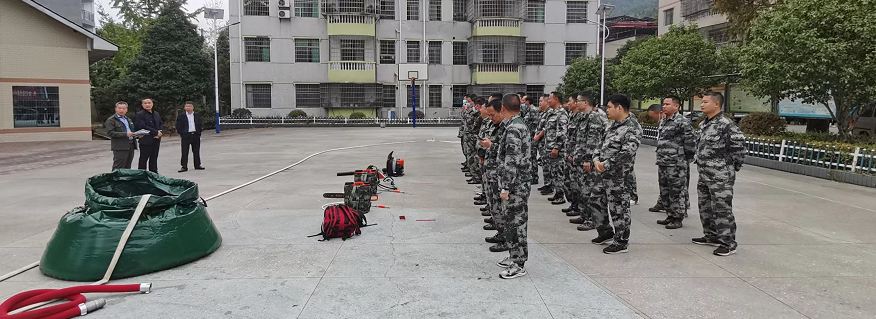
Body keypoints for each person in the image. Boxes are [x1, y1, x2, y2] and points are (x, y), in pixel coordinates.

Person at [693, 91, 746, 256]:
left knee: (722, 208)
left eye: (706, 102)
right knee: (705, 206)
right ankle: (711, 235)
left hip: (720, 175)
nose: (702, 105)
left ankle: (728, 243)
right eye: (701, 102)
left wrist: (730, 167)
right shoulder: (704, 124)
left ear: (716, 104)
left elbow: (739, 148)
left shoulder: (726, 124)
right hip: (704, 173)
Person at [593, 94, 640, 254]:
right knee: (595, 201)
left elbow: (627, 153)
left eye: (609, 107)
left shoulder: (632, 127)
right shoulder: (611, 126)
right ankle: (605, 232)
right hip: (602, 173)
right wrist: (596, 159)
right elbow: (599, 145)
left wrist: (606, 165)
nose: (606, 110)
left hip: (619, 176)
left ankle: (621, 241)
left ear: (619, 108)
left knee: (619, 208)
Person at [495, 94, 531, 279]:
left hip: (516, 185)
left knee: (516, 224)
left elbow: (512, 160)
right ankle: (514, 256)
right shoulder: (518, 124)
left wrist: (505, 187)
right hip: (518, 183)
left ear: (503, 108)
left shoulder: (514, 128)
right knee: (512, 222)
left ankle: (519, 263)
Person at [653, 97, 696, 229]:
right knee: (665, 190)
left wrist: (686, 157)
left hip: (676, 163)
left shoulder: (682, 121)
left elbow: (690, 141)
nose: (664, 106)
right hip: (663, 161)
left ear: (676, 106)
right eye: (663, 104)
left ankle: (678, 217)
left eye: (667, 104)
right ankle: (670, 214)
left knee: (676, 191)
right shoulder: (664, 120)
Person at [575, 93, 609, 233]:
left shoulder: (593, 117)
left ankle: (592, 220)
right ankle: (584, 216)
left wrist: (588, 159)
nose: (577, 103)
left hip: (589, 160)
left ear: (586, 102)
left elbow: (593, 141)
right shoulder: (583, 117)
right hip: (581, 159)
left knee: (589, 191)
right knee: (583, 190)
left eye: (579, 101)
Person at [480, 99, 509, 252]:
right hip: (490, 170)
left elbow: (506, 150)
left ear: (501, 111)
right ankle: (500, 232)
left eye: (492, 115)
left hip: (500, 173)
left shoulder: (507, 128)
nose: (490, 118)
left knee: (501, 207)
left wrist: (491, 146)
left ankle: (505, 238)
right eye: (489, 115)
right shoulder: (493, 125)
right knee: (493, 205)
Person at [543, 92, 569, 204]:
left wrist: (557, 147)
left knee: (559, 173)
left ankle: (561, 195)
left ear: (556, 99)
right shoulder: (552, 113)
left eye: (550, 99)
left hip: (557, 149)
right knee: (553, 172)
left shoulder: (561, 113)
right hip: (549, 147)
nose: (548, 101)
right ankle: (557, 193)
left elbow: (562, 132)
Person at [562, 96, 585, 217]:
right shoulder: (571, 115)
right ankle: (574, 204)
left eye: (570, 101)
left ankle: (580, 209)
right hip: (569, 155)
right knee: (569, 182)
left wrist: (574, 154)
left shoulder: (582, 117)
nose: (568, 103)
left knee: (578, 184)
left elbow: (579, 139)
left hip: (577, 157)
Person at [105, 101, 138, 170]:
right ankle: (115, 180)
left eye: (123, 108)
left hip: (131, 145)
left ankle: (125, 180)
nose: (121, 110)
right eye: (119, 108)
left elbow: (132, 130)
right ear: (115, 109)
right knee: (119, 166)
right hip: (120, 147)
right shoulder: (111, 120)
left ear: (127, 109)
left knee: (128, 166)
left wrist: (137, 135)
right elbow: (110, 133)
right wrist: (125, 134)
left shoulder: (128, 119)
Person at [135, 98, 163, 173]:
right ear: (142, 105)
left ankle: (154, 173)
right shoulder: (140, 115)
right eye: (145, 103)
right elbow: (142, 126)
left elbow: (160, 123)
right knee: (144, 158)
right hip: (145, 139)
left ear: (152, 104)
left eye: (149, 103)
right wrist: (155, 132)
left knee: (154, 158)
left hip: (156, 139)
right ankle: (141, 174)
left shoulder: (156, 113)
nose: (147, 105)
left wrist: (159, 132)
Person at [176, 101, 205, 172]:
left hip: (195, 135)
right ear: (184, 107)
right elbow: (178, 126)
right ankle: (184, 166)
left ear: (193, 107)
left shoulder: (197, 115)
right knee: (185, 151)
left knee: (196, 151)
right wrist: (182, 134)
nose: (188, 107)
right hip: (186, 135)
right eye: (187, 106)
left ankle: (197, 165)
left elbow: (200, 124)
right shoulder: (181, 116)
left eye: (190, 106)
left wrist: (199, 132)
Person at [522, 95, 541, 184]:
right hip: (528, 137)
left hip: (532, 137)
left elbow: (536, 124)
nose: (522, 102)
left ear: (527, 102)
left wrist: (533, 135)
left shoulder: (533, 110)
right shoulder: (527, 110)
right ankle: (531, 175)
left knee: (532, 157)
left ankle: (534, 177)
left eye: (523, 100)